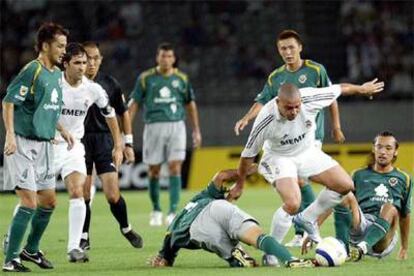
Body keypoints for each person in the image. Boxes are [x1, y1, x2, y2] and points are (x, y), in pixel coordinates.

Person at [228, 80, 384, 254]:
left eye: (297, 107)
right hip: (279, 157)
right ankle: (271, 253)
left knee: (345, 185)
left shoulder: (310, 97)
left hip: (307, 152)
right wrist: (240, 184)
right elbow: (247, 155)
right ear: (278, 102)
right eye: (289, 108)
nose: (294, 111)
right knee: (293, 203)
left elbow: (340, 89)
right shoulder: (266, 118)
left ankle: (307, 218)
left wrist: (361, 89)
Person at [234, 29, 345, 248]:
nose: (288, 52)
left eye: (291, 47)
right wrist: (247, 118)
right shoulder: (275, 77)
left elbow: (331, 96)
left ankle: (304, 227)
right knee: (297, 184)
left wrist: (337, 126)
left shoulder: (316, 70)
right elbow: (263, 100)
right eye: (283, 48)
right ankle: (301, 228)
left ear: (300, 47)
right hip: (283, 140)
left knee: (304, 182)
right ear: (279, 50)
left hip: (310, 135)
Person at [2, 22, 72, 272]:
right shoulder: (32, 70)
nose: (64, 51)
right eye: (60, 46)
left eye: (65, 46)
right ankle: (10, 259)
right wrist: (9, 135)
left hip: (44, 145)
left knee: (49, 202)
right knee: (29, 203)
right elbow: (8, 102)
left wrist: (61, 129)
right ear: (45, 46)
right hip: (21, 143)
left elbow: (49, 107)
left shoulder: (56, 74)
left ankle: (31, 250)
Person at [149, 165, 316, 268]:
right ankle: (290, 259)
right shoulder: (204, 195)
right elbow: (222, 175)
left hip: (198, 226)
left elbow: (164, 259)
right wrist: (243, 172)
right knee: (258, 236)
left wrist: (161, 261)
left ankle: (236, 255)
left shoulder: (172, 229)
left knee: (231, 251)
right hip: (218, 208)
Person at [55, 42, 130, 262]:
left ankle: (75, 246)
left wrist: (121, 144)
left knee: (80, 193)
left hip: (77, 145)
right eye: (79, 62)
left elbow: (112, 113)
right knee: (41, 202)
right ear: (66, 63)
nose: (85, 66)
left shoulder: (97, 88)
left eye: (86, 61)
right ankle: (15, 239)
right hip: (48, 144)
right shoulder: (52, 82)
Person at [304, 131, 412, 261]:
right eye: (379, 147)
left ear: (395, 152)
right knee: (343, 194)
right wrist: (313, 229)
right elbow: (333, 201)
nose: (383, 152)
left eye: (388, 148)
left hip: (384, 238)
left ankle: (363, 247)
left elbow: (405, 215)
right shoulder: (358, 175)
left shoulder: (404, 178)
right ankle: (345, 249)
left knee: (391, 208)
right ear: (374, 149)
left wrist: (404, 248)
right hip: (361, 224)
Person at [129, 42, 202, 226]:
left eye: (169, 56)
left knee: (175, 167)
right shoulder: (146, 78)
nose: (166, 60)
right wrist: (126, 133)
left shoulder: (182, 79)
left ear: (174, 59)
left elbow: (190, 104)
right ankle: (156, 209)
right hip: (153, 126)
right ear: (157, 58)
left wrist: (196, 130)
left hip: (176, 125)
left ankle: (172, 211)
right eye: (163, 56)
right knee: (153, 170)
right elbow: (134, 104)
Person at [79, 41, 142, 251]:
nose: (92, 63)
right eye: (88, 58)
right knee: (84, 194)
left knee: (112, 195)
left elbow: (123, 112)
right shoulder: (71, 83)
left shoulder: (109, 83)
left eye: (96, 58)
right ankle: (84, 236)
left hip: (105, 140)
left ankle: (126, 228)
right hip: (80, 142)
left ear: (100, 60)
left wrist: (127, 143)